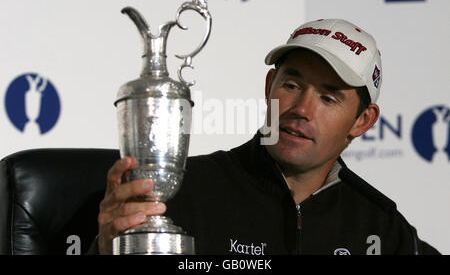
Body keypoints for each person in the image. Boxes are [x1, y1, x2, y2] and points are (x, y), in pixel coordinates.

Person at [91, 19, 440, 255]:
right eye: (291, 85)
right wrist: (105, 249)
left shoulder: (381, 225)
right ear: (269, 87)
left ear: (362, 121)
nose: (301, 109)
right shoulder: (183, 192)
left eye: (328, 97)